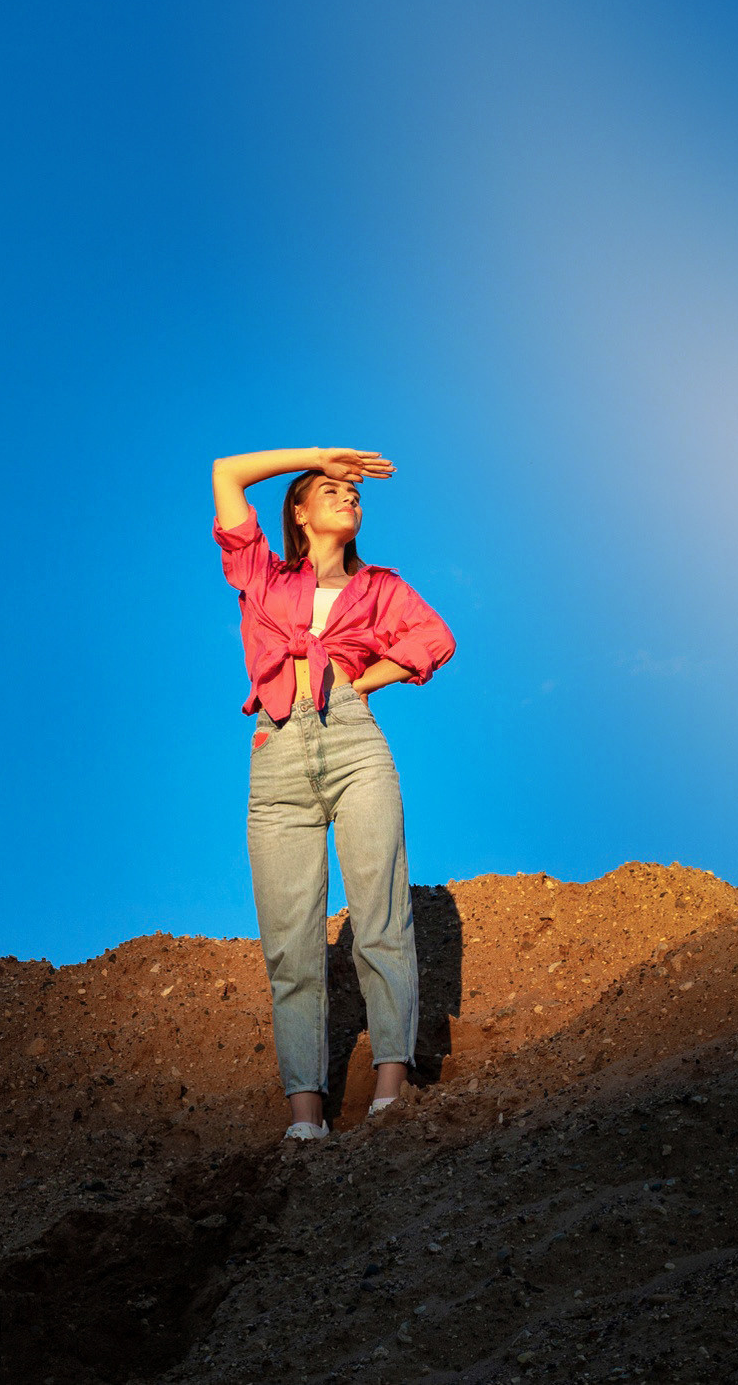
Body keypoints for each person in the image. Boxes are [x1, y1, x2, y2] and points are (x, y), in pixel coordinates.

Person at [211, 447, 456, 1141]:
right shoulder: (259, 571)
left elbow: (434, 638)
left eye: (353, 492)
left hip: (353, 744)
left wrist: (357, 683)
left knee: (380, 917)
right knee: (290, 944)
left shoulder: (378, 585)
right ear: (297, 509)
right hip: (276, 751)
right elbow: (225, 473)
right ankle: (305, 1117)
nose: (349, 496)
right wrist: (317, 453)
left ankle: (389, 1089)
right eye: (329, 488)